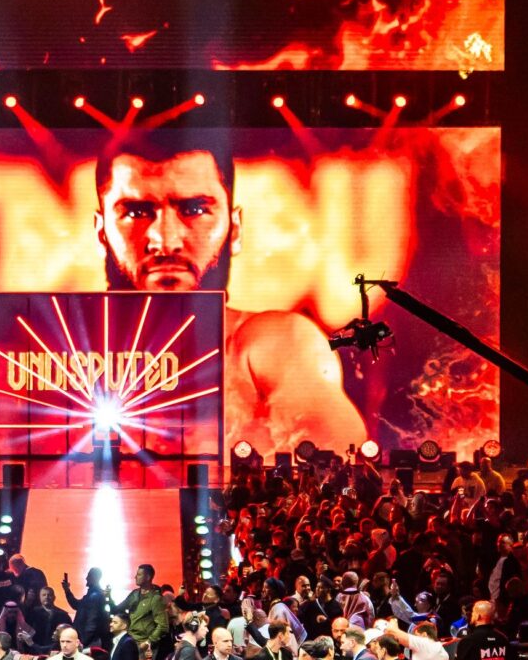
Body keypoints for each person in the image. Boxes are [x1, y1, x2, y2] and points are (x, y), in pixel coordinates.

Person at [91, 131, 365, 450]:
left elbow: (337, 454)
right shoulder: (55, 355)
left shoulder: (274, 345)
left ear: (234, 230)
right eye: (136, 213)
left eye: (194, 210)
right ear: (101, 233)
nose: (166, 240)